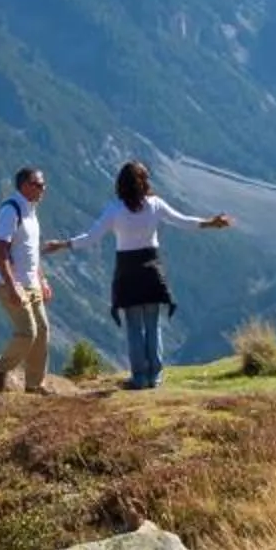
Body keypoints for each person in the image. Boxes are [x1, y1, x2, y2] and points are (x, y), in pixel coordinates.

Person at [46, 160, 234, 390]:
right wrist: (211, 223)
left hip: (127, 271)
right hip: (151, 269)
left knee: (134, 326)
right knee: (153, 325)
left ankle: (140, 377)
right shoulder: (155, 205)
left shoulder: (114, 209)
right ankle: (155, 376)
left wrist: (63, 244)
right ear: (143, 182)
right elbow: (183, 221)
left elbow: (91, 237)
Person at [0, 166, 52, 395]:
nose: (44, 188)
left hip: (31, 282)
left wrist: (43, 280)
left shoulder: (31, 211)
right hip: (9, 284)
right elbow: (0, 253)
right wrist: (12, 287)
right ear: (25, 185)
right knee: (27, 332)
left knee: (42, 330)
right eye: (39, 184)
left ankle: (35, 385)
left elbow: (31, 251)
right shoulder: (10, 211)